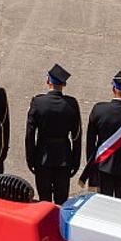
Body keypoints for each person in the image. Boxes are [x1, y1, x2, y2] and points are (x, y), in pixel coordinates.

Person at [81, 71, 121, 199]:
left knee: (104, 205)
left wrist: (92, 163)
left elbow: (90, 141)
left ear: (113, 88)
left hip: (103, 164)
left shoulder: (99, 109)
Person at [25, 64, 81, 204]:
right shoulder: (71, 103)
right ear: (63, 84)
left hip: (42, 157)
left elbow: (30, 134)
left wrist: (30, 158)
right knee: (61, 202)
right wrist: (75, 161)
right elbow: (76, 136)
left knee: (44, 201)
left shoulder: (38, 102)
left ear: (48, 81)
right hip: (64, 158)